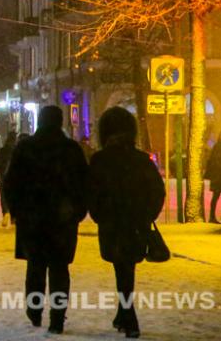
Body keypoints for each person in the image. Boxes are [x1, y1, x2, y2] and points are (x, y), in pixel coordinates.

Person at [4, 105, 89, 334]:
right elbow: (83, 184)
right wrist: (77, 212)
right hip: (62, 220)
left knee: (35, 268)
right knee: (60, 269)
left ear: (40, 121)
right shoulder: (71, 149)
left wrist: (16, 211)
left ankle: (34, 311)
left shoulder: (26, 148)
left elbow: (11, 182)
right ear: (60, 122)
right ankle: (57, 318)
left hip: (32, 219)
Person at [89, 107, 165, 339]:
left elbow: (92, 192)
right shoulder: (142, 160)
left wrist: (99, 215)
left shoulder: (100, 160)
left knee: (121, 267)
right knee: (127, 266)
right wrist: (147, 215)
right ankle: (124, 314)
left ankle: (128, 315)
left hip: (112, 222)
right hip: (135, 222)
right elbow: (157, 191)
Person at [0, 131, 17, 226]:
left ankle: (5, 213)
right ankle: (13, 218)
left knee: (3, 197)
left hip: (3, 177)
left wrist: (1, 167)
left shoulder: (1, 150)